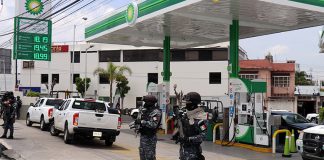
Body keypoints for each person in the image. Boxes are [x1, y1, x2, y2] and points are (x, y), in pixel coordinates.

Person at [172, 92, 208, 160]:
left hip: (193, 154)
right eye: (186, 102)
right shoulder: (185, 115)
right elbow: (178, 127)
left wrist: (188, 139)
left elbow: (203, 136)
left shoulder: (201, 117)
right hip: (183, 153)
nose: (186, 103)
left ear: (194, 103)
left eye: (188, 102)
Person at [136, 95, 162, 160]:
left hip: (150, 138)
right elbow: (140, 120)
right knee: (142, 155)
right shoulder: (146, 111)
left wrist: (143, 122)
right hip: (143, 136)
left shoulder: (156, 112)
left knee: (150, 156)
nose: (144, 104)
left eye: (146, 102)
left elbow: (154, 124)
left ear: (150, 103)